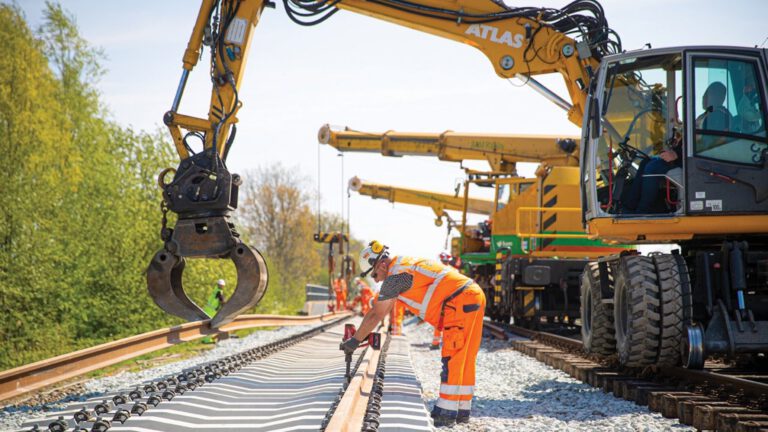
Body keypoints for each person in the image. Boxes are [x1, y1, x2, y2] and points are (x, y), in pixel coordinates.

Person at [341, 240, 486, 426]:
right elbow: (382, 305)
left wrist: (354, 341)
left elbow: (377, 314)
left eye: (375, 274)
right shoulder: (403, 267)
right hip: (471, 295)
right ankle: (462, 410)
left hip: (458, 301)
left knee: (454, 356)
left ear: (382, 264)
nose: (376, 280)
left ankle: (446, 412)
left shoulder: (396, 277)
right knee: (466, 356)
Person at [202, 279, 227, 344]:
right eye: (221, 285)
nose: (222, 287)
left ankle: (205, 339)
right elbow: (222, 300)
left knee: (206, 324)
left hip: (208, 309)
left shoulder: (215, 290)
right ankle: (207, 340)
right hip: (211, 310)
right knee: (211, 324)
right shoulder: (219, 292)